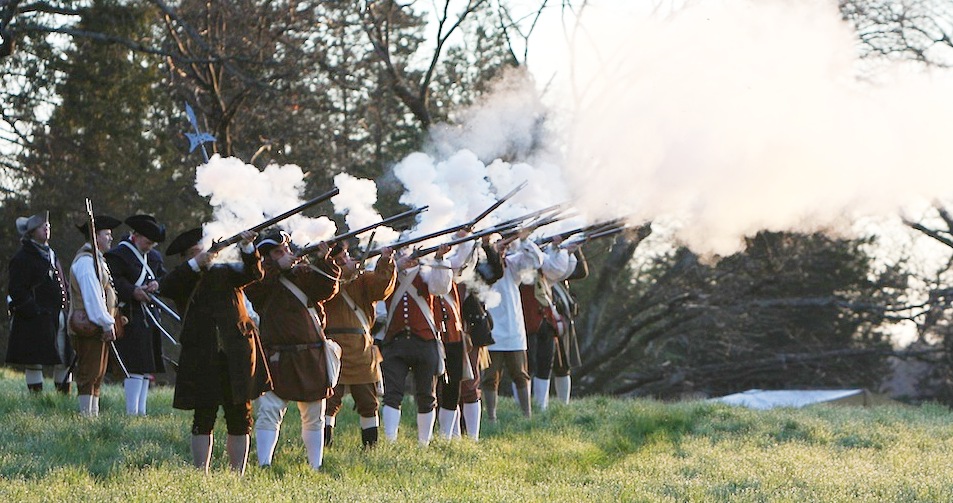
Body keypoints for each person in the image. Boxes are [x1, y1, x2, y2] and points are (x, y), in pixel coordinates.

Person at [160, 228, 272, 475]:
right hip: (203, 356)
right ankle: (202, 474)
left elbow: (254, 273)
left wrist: (247, 247)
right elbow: (166, 287)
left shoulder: (226, 270)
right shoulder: (186, 276)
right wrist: (196, 264)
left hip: (236, 355)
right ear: (190, 254)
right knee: (204, 416)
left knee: (240, 417)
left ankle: (237, 476)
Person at [245, 229, 340, 470]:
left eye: (287, 249)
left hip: (310, 353)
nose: (287, 254)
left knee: (315, 415)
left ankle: (315, 466)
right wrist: (279, 267)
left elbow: (327, 290)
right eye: (279, 251)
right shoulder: (261, 277)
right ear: (266, 257)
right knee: (270, 411)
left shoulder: (302, 273)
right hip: (279, 353)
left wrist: (324, 259)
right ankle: (264, 464)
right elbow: (254, 288)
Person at [323, 243, 396, 449]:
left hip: (361, 347)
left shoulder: (363, 280)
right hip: (332, 348)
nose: (347, 261)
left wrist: (385, 261)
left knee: (368, 402)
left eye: (346, 257)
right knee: (329, 401)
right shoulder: (325, 280)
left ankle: (370, 447)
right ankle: (325, 446)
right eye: (340, 260)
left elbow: (382, 287)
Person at [378, 244, 452, 446]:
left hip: (424, 343)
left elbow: (441, 287)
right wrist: (391, 263)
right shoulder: (390, 274)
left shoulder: (427, 272)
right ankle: (390, 441)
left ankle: (424, 443)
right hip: (395, 342)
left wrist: (439, 259)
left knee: (426, 395)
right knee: (392, 394)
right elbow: (375, 284)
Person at [104, 214, 167, 416]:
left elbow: (163, 277)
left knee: (145, 366)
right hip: (129, 315)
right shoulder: (118, 255)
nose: (149, 246)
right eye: (147, 242)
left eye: (152, 243)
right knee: (133, 365)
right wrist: (133, 291)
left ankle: (141, 411)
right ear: (136, 235)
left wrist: (157, 284)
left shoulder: (154, 257)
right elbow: (112, 281)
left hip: (149, 316)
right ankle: (132, 412)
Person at [6, 211, 73, 393]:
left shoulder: (52, 254)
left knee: (64, 359)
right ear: (31, 232)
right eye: (41, 226)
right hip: (35, 318)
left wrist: (68, 306)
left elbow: (63, 283)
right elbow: (17, 290)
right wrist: (34, 311)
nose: (46, 228)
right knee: (34, 362)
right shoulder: (22, 257)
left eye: (47, 226)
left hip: (58, 316)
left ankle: (61, 400)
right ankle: (37, 402)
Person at [481, 230, 544, 420]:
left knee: (520, 374)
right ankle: (491, 417)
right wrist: (492, 250)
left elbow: (536, 260)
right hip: (490, 328)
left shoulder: (514, 263)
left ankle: (527, 416)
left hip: (513, 329)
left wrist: (523, 238)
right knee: (489, 378)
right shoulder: (482, 265)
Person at [67, 215, 123, 415]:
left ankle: (93, 416)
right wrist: (107, 322)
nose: (110, 238)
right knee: (88, 374)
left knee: (97, 374)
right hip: (90, 325)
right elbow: (92, 298)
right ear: (95, 236)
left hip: (98, 325)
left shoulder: (97, 260)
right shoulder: (85, 262)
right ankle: (85, 418)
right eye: (107, 234)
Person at [520, 235, 577, 411]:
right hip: (525, 316)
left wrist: (562, 248)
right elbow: (538, 262)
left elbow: (563, 270)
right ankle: (525, 406)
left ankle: (542, 406)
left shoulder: (547, 257)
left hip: (546, 316)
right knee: (525, 366)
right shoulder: (520, 254)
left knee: (547, 362)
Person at [550, 248, 589, 404]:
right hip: (541, 311)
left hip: (562, 314)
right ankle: (538, 406)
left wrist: (576, 247)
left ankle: (563, 405)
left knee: (563, 364)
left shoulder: (561, 257)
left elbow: (581, 271)